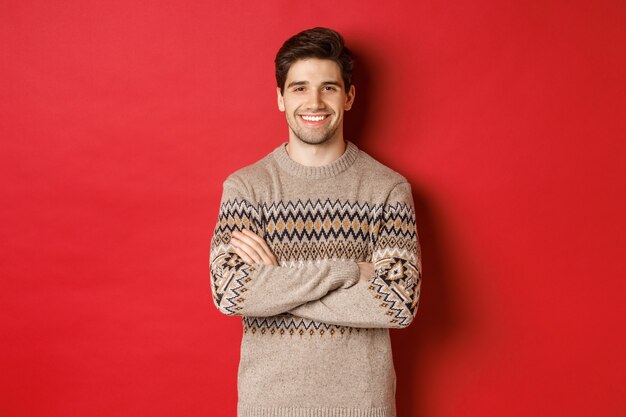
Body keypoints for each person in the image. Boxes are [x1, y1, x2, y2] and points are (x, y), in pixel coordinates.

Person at [209, 27, 422, 417]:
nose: (315, 101)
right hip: (267, 406)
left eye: (328, 87)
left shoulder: (388, 190)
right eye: (299, 88)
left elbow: (397, 304)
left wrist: (278, 284)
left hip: (363, 406)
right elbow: (231, 295)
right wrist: (350, 271)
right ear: (280, 97)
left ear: (349, 96)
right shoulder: (246, 188)